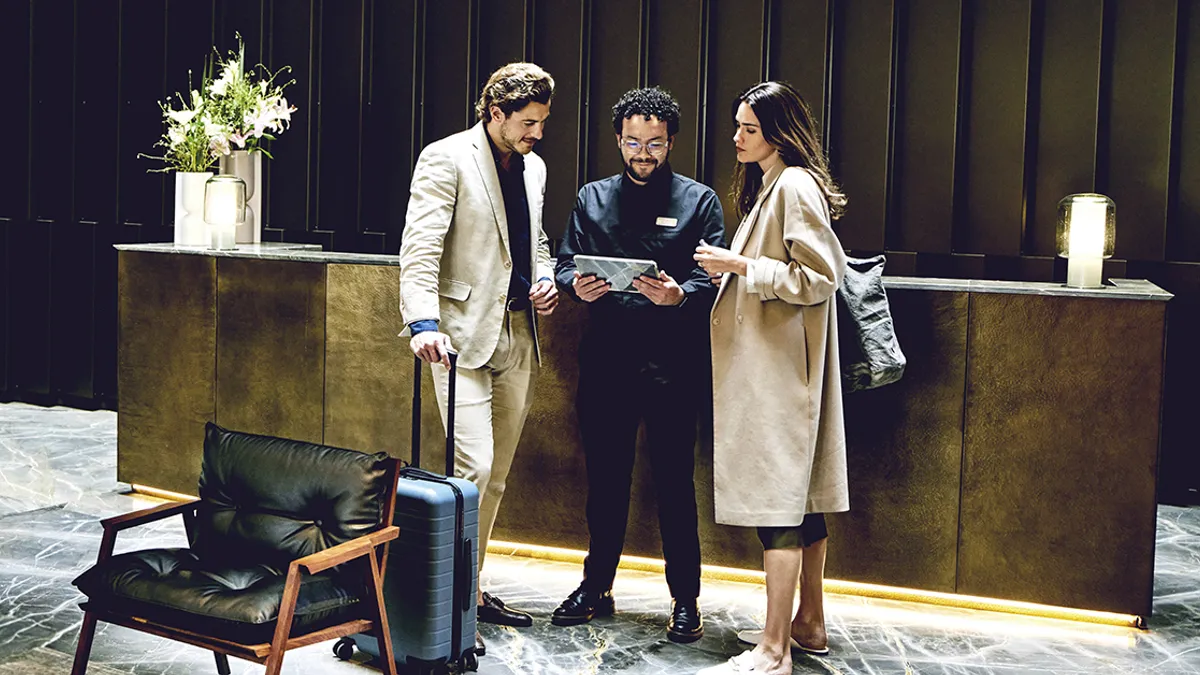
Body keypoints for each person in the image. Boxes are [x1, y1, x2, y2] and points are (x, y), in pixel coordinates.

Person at [552, 86, 726, 643]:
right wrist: (574, 284)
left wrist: (681, 295)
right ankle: (596, 586)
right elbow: (561, 264)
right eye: (632, 142)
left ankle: (686, 598)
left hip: (674, 365)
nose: (642, 153)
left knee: (676, 484)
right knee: (604, 482)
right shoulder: (591, 197)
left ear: (670, 141)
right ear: (618, 140)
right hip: (606, 361)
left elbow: (713, 278)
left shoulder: (700, 201)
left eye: (653, 143)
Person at [399, 62, 560, 653]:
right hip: (460, 337)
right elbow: (419, 246)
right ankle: (448, 601)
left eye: (542, 123)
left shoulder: (535, 168)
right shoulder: (446, 157)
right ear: (493, 111)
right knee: (474, 469)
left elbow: (536, 240)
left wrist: (546, 277)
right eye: (527, 122)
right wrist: (421, 322)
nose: (536, 134)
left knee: (494, 480)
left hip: (519, 335)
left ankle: (470, 590)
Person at [693, 81, 849, 675]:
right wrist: (735, 274)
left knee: (778, 507)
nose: (736, 138)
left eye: (749, 129)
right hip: (781, 368)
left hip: (780, 374)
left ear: (780, 131)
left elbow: (819, 276)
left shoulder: (795, 184)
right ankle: (808, 624)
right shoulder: (777, 183)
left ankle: (774, 649)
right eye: (737, 126)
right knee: (800, 501)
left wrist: (740, 266)